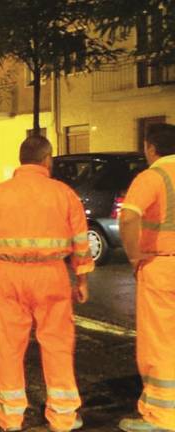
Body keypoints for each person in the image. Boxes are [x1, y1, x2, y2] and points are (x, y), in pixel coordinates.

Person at [0, 135, 94, 432]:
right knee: (57, 344)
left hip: (9, 275)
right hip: (51, 276)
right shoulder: (64, 194)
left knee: (9, 347)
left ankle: (11, 417)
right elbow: (80, 242)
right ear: (47, 159)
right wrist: (81, 279)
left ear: (21, 160)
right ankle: (63, 416)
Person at [118, 123, 175, 432]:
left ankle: (161, 416)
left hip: (162, 267)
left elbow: (128, 217)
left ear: (151, 148)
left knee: (160, 342)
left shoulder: (153, 176)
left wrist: (134, 256)